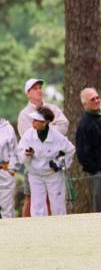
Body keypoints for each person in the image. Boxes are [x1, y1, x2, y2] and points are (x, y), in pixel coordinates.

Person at [18, 78, 69, 217]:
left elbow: (64, 125)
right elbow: (28, 136)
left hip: (53, 163)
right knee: (32, 199)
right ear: (28, 93)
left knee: (55, 198)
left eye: (40, 87)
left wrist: (49, 131)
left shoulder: (53, 108)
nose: (39, 90)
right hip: (34, 163)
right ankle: (29, 227)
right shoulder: (24, 114)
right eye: (35, 88)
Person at [0, 117, 19, 218]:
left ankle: (10, 233)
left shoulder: (7, 128)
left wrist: (11, 170)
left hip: (4, 171)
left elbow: (15, 152)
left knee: (7, 208)